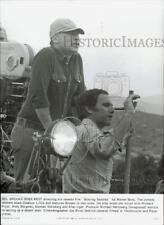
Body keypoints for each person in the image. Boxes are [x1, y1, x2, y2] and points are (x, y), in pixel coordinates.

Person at [11, 18, 85, 190]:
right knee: (25, 188)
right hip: (32, 131)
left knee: (53, 186)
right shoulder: (46, 55)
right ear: (55, 38)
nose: (77, 39)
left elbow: (79, 99)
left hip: (56, 136)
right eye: (71, 34)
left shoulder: (77, 60)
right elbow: (39, 97)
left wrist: (81, 130)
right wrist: (54, 132)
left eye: (78, 35)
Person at [63, 89, 139, 193]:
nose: (112, 110)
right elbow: (103, 149)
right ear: (89, 108)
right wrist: (129, 114)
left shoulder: (79, 130)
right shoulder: (88, 129)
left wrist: (124, 133)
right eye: (106, 105)